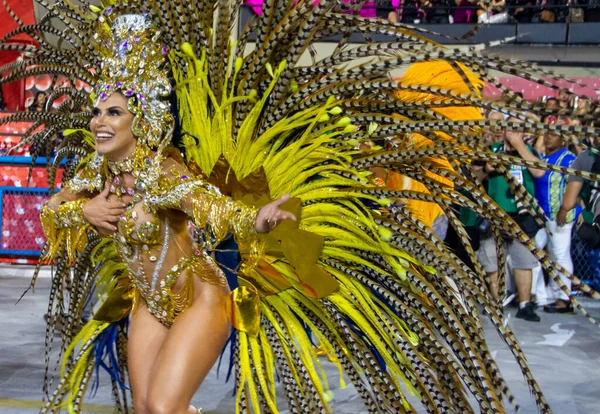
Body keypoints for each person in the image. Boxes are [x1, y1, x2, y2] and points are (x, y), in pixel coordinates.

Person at [479, 116, 543, 321]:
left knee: (523, 261)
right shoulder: (494, 149)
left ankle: (525, 304)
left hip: (523, 216)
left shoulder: (529, 152)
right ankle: (496, 303)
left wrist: (520, 146)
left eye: (520, 127)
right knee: (492, 261)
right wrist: (510, 149)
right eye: (512, 128)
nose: (516, 131)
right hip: (497, 214)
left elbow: (539, 171)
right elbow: (490, 167)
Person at [532, 125, 580, 313]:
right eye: (546, 134)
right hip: (543, 215)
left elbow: (577, 184)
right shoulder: (544, 157)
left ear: (563, 140)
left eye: (553, 135)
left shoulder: (568, 158)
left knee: (560, 255)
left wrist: (566, 208)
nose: (548, 137)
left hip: (560, 215)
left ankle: (564, 298)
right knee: (540, 254)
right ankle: (544, 295)